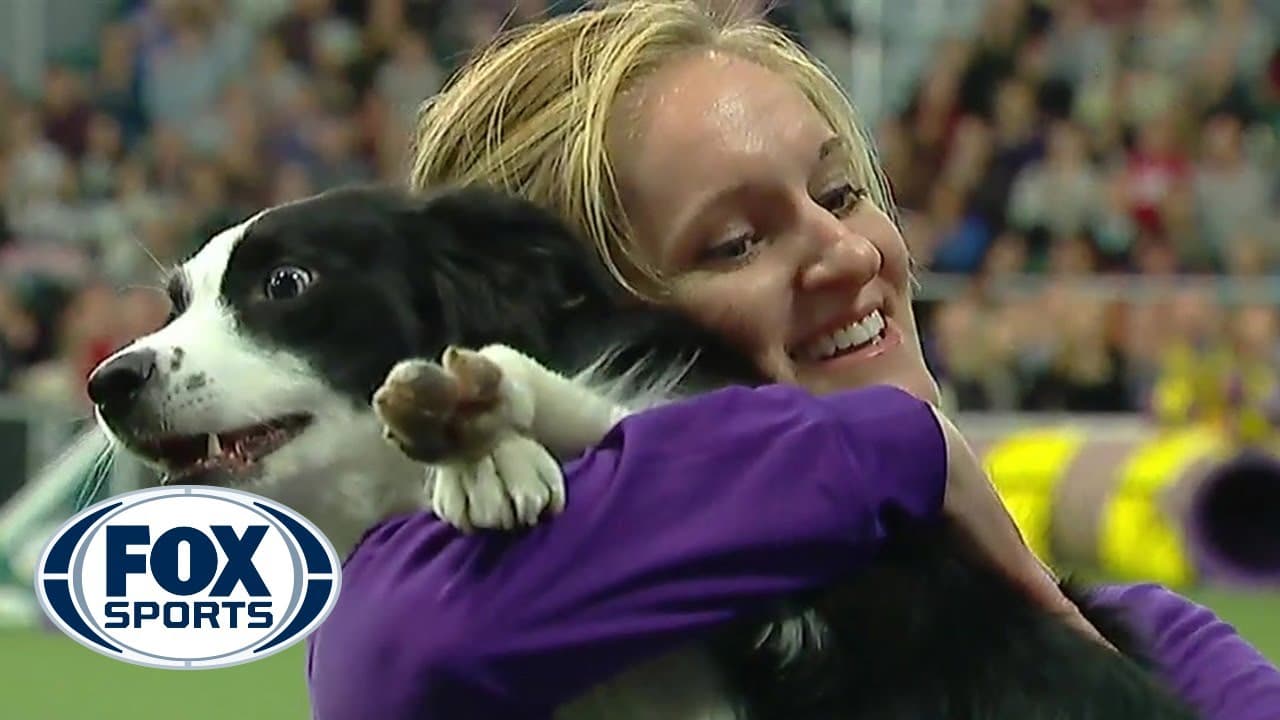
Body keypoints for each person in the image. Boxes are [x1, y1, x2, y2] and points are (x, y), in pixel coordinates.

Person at [307, 2, 1280, 718]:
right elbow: (397, 656)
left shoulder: (1148, 635)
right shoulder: (481, 636)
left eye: (842, 192)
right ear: (584, 333)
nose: (853, 253)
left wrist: (1070, 659)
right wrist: (893, 450)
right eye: (734, 243)